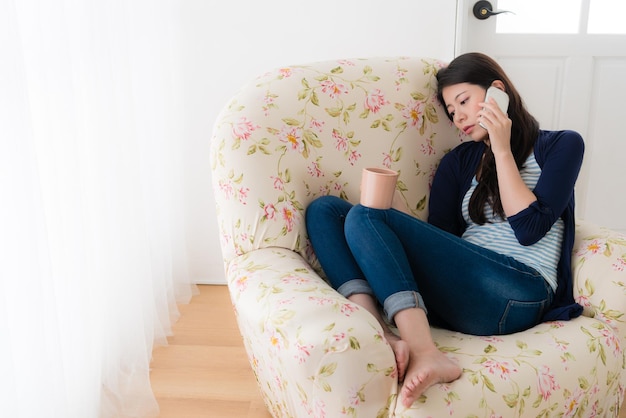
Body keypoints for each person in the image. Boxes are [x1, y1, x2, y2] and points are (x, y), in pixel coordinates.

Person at [304, 52, 585, 408]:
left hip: (519, 290)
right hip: (463, 291)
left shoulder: (562, 145)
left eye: (464, 101)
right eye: (451, 111)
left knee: (365, 217)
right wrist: (395, 217)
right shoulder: (458, 162)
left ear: (498, 91)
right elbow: (442, 243)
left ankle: (427, 353)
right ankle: (378, 334)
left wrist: (500, 148)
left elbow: (530, 228)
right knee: (326, 211)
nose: (459, 117)